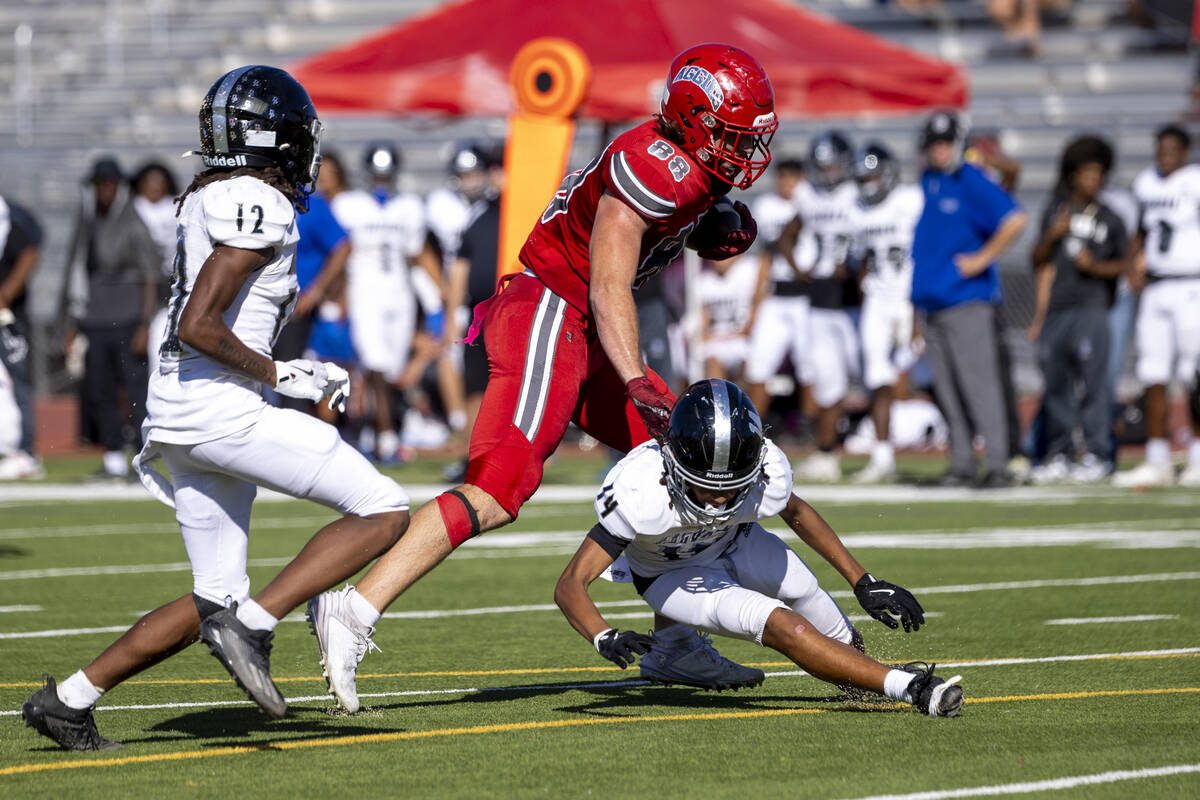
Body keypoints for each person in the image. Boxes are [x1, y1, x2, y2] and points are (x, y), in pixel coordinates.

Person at [305, 43, 779, 712]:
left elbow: (645, 245)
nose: (744, 150)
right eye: (732, 134)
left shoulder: (690, 171)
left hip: (578, 323)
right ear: (695, 121)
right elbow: (610, 284)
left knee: (688, 460)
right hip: (550, 312)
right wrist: (639, 381)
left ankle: (675, 642)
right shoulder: (655, 165)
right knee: (499, 488)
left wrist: (700, 226)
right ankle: (352, 610)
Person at [21, 66, 410, 751]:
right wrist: (281, 374)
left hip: (180, 412)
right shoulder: (257, 202)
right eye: (293, 137)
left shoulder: (215, 195)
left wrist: (289, 370)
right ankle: (256, 628)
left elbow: (219, 320)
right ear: (267, 141)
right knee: (383, 510)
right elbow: (199, 324)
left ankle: (69, 699)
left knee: (212, 598)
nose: (302, 150)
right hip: (219, 409)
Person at [554, 379, 964, 717]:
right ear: (673, 462)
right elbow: (571, 583)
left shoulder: (765, 469)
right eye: (706, 485)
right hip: (672, 575)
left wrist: (862, 580)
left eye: (731, 488)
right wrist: (602, 635)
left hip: (736, 541)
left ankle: (870, 679)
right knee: (779, 622)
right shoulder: (640, 489)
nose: (718, 499)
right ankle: (912, 688)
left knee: (821, 612)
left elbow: (796, 511)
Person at [911, 111, 1028, 487]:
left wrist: (983, 257)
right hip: (933, 302)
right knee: (948, 390)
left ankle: (998, 462)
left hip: (967, 301)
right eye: (935, 144)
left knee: (980, 385)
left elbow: (1015, 219)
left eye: (946, 143)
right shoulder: (929, 180)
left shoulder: (971, 180)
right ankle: (962, 461)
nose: (940, 151)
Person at [1026, 136, 1127, 484]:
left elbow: (1125, 264)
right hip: (1058, 308)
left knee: (1095, 384)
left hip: (1093, 307)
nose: (1092, 180)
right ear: (1073, 175)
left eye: (1097, 173)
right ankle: (1060, 452)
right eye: (1086, 173)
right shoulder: (1057, 211)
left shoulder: (1111, 217)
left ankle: (1098, 453)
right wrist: (1053, 236)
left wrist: (1095, 267)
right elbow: (1036, 260)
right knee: (1056, 385)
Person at [62, 157, 162, 480]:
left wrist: (145, 324)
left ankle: (141, 455)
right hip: (95, 317)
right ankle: (112, 458)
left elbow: (150, 276)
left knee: (134, 389)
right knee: (100, 389)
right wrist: (71, 323)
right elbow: (73, 271)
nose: (104, 190)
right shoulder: (88, 221)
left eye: (110, 183)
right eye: (98, 184)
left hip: (128, 316)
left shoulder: (133, 223)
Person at [1114, 124, 1200, 488]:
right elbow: (1141, 231)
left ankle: (1197, 455)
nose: (1164, 157)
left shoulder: (1195, 181)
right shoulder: (1147, 182)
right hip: (1156, 286)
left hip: (1191, 283)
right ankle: (1158, 457)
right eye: (1159, 150)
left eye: (1171, 150)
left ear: (1184, 152)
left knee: (1194, 373)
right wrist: (1132, 263)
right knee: (1152, 373)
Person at [781, 131, 861, 482]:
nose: (829, 173)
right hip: (821, 295)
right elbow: (786, 234)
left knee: (874, 372)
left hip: (856, 296)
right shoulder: (807, 195)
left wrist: (857, 267)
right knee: (827, 378)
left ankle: (883, 451)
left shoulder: (857, 192)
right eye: (823, 166)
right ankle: (827, 451)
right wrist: (800, 268)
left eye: (835, 165)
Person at [848, 143, 925, 483]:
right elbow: (858, 259)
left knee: (931, 375)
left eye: (875, 176)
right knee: (878, 377)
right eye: (864, 177)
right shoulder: (855, 208)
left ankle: (974, 446)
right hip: (878, 301)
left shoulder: (911, 200)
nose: (869, 184)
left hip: (913, 297)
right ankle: (883, 455)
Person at [270, 182, 351, 413]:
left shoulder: (310, 205)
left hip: (295, 307)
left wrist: (316, 291)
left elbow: (343, 246)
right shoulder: (261, 199)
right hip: (260, 304)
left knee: (290, 375)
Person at [743, 157, 809, 426]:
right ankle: (754, 427)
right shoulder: (766, 207)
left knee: (810, 366)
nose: (787, 183)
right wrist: (755, 305)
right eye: (783, 176)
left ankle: (809, 425)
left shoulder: (813, 203)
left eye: (793, 177)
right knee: (759, 362)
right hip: (777, 294)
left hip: (807, 295)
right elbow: (766, 258)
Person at [0, 193, 44, 479]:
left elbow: (30, 254)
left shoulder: (11, 220)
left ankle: (24, 452)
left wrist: (3, 297)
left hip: (8, 319)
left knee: (16, 381)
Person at [129, 161, 180, 377]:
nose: (155, 187)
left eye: (159, 181)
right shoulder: (133, 209)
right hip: (136, 283)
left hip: (168, 281)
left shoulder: (176, 208)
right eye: (150, 181)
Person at [693, 253, 758, 382]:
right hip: (717, 341)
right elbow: (703, 325)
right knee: (712, 363)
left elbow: (750, 326)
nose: (719, 260)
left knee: (753, 364)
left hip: (744, 340)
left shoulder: (749, 270)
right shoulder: (702, 280)